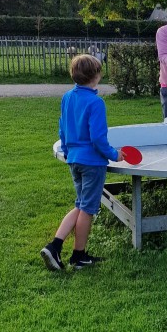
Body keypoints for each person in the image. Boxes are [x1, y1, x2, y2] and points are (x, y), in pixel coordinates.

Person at [40, 54, 123, 271]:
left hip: (74, 160)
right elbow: (97, 138)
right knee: (87, 208)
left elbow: (62, 129)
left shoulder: (67, 97)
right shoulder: (96, 102)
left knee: (80, 205)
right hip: (92, 164)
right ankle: (78, 256)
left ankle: (55, 245)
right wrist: (115, 155)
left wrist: (67, 151)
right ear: (96, 76)